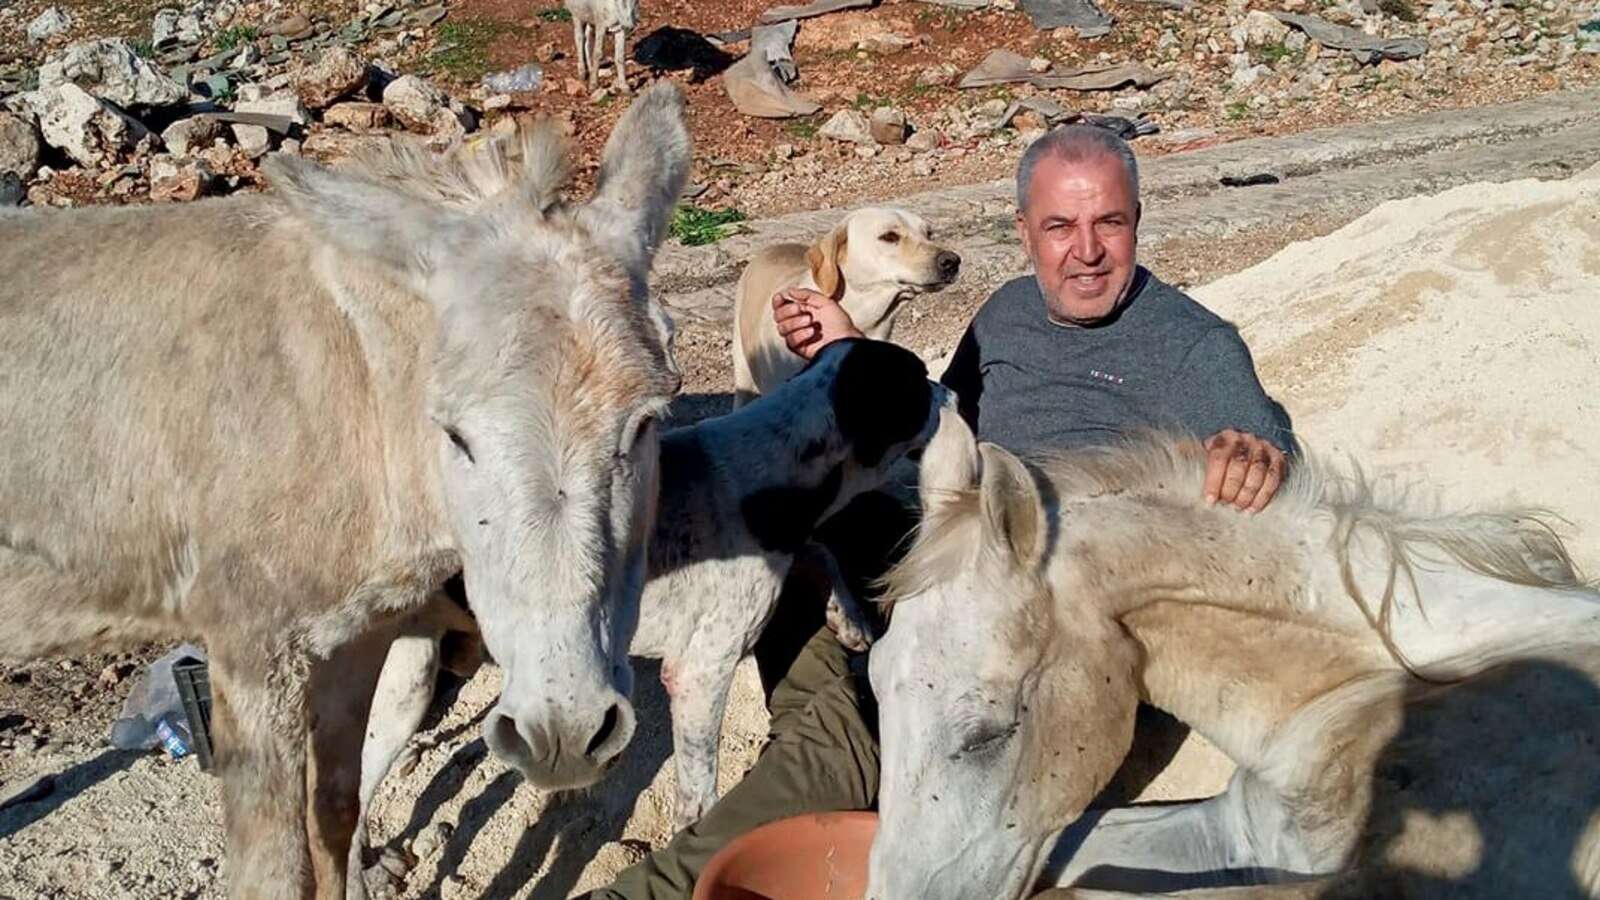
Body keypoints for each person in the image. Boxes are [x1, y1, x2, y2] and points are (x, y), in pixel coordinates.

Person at [584, 124, 1294, 900]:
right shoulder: (1009, 313)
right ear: (1025, 232)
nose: (1085, 250)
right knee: (784, 529)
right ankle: (822, 738)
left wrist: (1257, 454)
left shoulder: (1194, 347)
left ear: (1137, 221)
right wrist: (847, 351)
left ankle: (659, 883)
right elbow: (930, 432)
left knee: (849, 728)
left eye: (1109, 223)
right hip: (947, 569)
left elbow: (1265, 449)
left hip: (1037, 639)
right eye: (1060, 226)